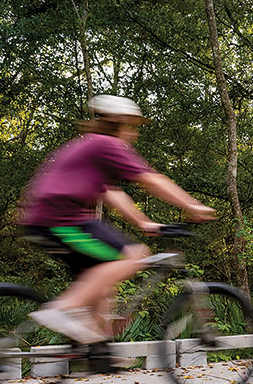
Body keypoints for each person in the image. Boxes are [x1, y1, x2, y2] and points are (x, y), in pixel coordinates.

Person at [18, 94, 215, 344]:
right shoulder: (106, 144)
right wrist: (192, 205)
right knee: (133, 254)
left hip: (45, 219)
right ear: (119, 123)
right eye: (131, 126)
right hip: (62, 220)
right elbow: (150, 179)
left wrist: (143, 222)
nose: (134, 134)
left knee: (102, 286)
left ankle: (98, 353)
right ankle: (61, 309)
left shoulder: (88, 146)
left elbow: (110, 192)